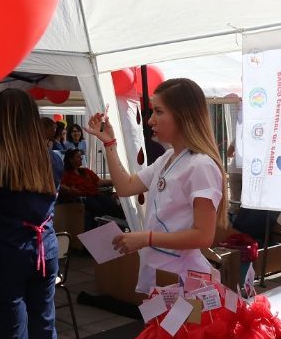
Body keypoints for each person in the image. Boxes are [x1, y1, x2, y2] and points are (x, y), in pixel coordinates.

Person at [84, 78, 227, 294]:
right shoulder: (168, 158)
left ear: (183, 115)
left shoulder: (201, 166)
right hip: (162, 275)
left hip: (185, 281)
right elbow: (125, 186)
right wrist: (110, 143)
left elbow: (203, 236)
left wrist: (146, 238)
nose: (150, 121)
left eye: (158, 112)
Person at [0, 88, 64, 339]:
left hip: (5, 254)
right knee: (45, 325)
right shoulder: (54, 159)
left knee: (12, 337)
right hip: (45, 250)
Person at [60, 148, 124, 228]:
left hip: (95, 194)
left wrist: (115, 181)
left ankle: (120, 226)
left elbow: (99, 182)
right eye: (78, 157)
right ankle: (103, 228)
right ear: (70, 159)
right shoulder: (66, 174)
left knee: (112, 204)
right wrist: (69, 190)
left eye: (81, 156)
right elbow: (61, 185)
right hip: (82, 197)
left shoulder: (85, 171)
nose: (81, 158)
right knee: (99, 208)